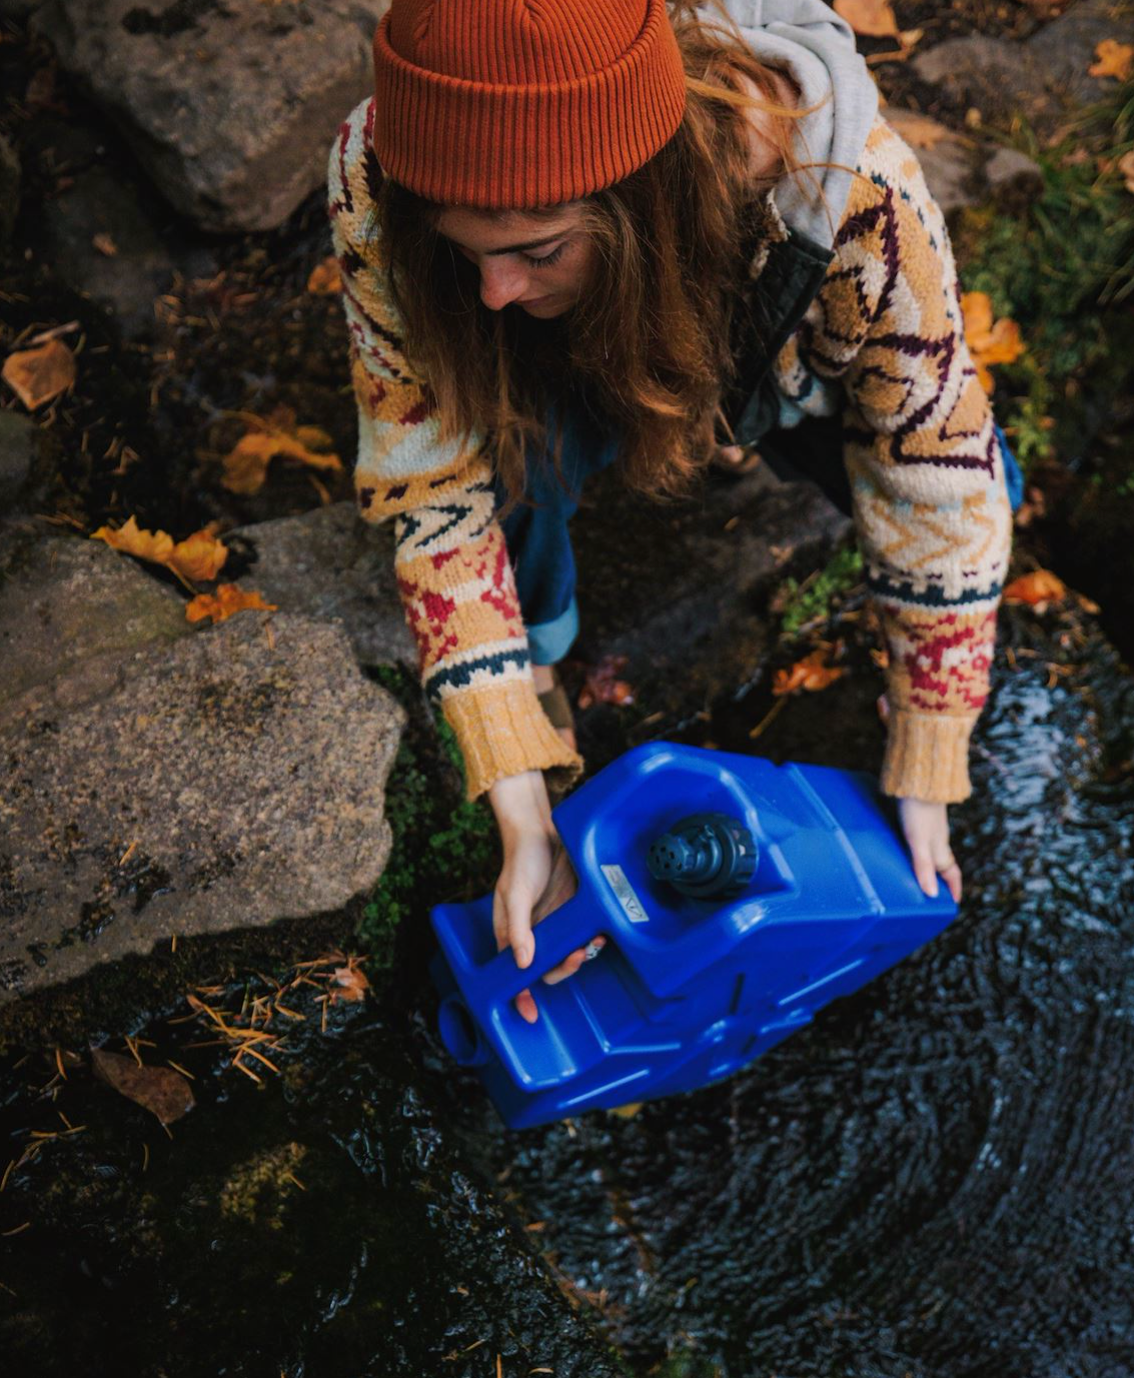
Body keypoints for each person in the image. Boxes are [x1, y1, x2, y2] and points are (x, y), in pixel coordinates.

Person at [327, 0, 1015, 1024]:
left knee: (984, 475)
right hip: (562, 377)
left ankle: (711, 416)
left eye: (536, 249)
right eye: (464, 251)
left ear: (644, 196)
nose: (493, 290)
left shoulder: (859, 201)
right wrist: (517, 791)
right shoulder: (374, 174)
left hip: (759, 356)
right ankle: (542, 643)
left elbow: (935, 461)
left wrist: (929, 746)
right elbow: (433, 485)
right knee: (509, 459)